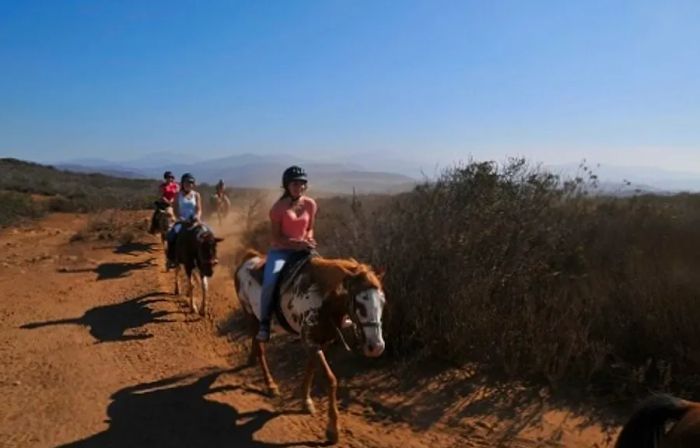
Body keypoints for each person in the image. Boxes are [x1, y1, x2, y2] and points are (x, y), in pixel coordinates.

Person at [256, 166, 318, 342]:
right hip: (281, 250)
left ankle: (335, 315)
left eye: (301, 183)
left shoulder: (310, 204)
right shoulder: (278, 208)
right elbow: (276, 237)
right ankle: (264, 323)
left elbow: (310, 228)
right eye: (294, 183)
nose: (298, 186)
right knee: (270, 280)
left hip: (304, 248)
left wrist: (308, 240)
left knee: (323, 273)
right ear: (287, 185)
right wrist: (296, 243)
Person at [166, 172, 203, 267]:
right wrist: (180, 218)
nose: (189, 184)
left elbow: (199, 209)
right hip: (182, 221)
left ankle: (208, 257)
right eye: (187, 182)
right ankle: (171, 258)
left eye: (191, 183)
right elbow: (175, 210)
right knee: (171, 235)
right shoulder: (178, 195)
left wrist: (197, 216)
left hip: (194, 220)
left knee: (209, 233)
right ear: (182, 183)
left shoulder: (196, 195)